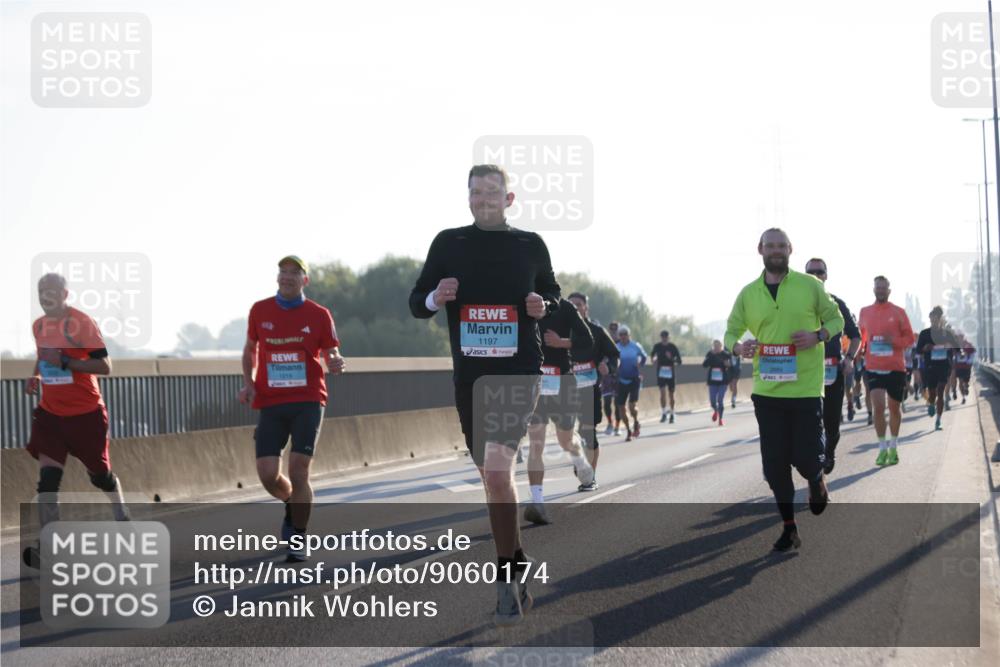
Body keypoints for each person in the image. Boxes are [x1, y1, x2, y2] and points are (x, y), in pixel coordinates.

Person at [409, 164, 559, 626]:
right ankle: (517, 559)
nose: (485, 199)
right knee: (491, 478)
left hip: (519, 371)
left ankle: (504, 579)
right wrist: (437, 296)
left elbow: (552, 297)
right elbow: (417, 303)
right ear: (468, 198)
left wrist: (543, 306)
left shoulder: (529, 244)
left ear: (509, 199)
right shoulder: (448, 243)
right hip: (471, 376)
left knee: (497, 470)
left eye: (494, 192)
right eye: (477, 192)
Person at [724, 228, 843, 552]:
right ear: (760, 249)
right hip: (767, 392)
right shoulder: (748, 294)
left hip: (805, 390)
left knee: (805, 459)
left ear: (790, 249)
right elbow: (730, 332)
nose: (776, 250)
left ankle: (816, 478)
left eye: (781, 245)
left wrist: (818, 335)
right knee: (773, 465)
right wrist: (739, 347)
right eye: (770, 245)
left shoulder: (810, 286)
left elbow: (837, 321)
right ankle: (789, 528)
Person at [240, 255, 345, 562]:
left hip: (308, 400)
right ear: (277, 278)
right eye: (282, 273)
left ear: (304, 280)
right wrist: (249, 383)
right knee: (268, 474)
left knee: (299, 470)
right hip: (271, 401)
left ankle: (298, 536)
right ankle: (292, 503)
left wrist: (335, 361)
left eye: (293, 273)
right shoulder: (260, 310)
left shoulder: (319, 314)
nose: (286, 277)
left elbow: (331, 350)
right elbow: (251, 349)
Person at [22, 273, 130, 569]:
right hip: (50, 415)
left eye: (51, 291)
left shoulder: (81, 323)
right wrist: (37, 374)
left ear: (65, 294)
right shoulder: (39, 325)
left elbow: (105, 366)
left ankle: (121, 514)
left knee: (100, 475)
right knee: (48, 481)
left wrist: (67, 362)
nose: (46, 296)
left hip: (86, 414)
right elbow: (45, 356)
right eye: (41, 291)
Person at [523, 298, 594, 524]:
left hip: (562, 382)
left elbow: (586, 340)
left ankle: (580, 461)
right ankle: (537, 502)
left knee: (565, 441)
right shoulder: (522, 304)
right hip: (536, 382)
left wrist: (562, 342)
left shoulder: (564, 307)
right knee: (536, 444)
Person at [804, 258, 861, 474]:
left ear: (826, 276)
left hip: (832, 372)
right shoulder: (797, 304)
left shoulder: (836, 304)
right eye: (811, 272)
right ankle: (815, 470)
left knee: (831, 425)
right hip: (804, 373)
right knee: (809, 424)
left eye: (820, 271)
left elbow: (856, 336)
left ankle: (829, 451)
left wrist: (849, 359)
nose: (816, 275)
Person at [857, 276, 915, 466]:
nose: (881, 290)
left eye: (884, 288)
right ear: (874, 289)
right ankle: (882, 448)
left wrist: (893, 341)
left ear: (889, 290)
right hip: (873, 367)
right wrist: (857, 354)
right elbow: (862, 339)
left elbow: (909, 339)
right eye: (878, 287)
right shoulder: (865, 312)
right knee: (878, 408)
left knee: (894, 409)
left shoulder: (899, 312)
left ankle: (894, 447)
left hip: (895, 368)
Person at [569, 292, 619, 491]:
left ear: (585, 308)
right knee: (568, 432)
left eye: (578, 304)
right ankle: (581, 462)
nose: (574, 308)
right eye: (570, 305)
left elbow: (614, 355)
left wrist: (609, 366)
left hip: (590, 390)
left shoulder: (597, 331)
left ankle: (590, 477)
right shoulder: (561, 331)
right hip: (565, 391)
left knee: (588, 432)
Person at [916, 306, 960, 431]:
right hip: (930, 366)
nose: (934, 321)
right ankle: (931, 403)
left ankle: (938, 420)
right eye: (932, 319)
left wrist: (950, 346)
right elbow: (918, 350)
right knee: (932, 394)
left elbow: (958, 349)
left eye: (937, 318)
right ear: (930, 319)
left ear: (941, 319)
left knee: (941, 391)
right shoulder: (925, 334)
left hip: (944, 366)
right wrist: (926, 348)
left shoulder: (948, 333)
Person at [615, 325, 647, 442]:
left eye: (625, 334)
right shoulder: (616, 347)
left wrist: (640, 364)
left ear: (629, 335)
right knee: (621, 408)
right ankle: (628, 430)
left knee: (632, 406)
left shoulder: (635, 346)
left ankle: (636, 421)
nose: (623, 336)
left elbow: (644, 357)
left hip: (634, 379)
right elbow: (611, 359)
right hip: (621, 380)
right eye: (621, 334)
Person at [650, 330, 682, 423]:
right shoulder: (657, 346)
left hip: (670, 372)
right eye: (663, 337)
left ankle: (672, 413)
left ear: (668, 337)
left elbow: (679, 361)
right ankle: (664, 413)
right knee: (662, 393)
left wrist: (671, 358)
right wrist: (653, 359)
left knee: (671, 395)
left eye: (666, 337)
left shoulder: (672, 347)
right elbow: (652, 356)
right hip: (661, 372)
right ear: (661, 337)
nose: (664, 338)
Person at [702, 340, 731, 426]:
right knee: (712, 401)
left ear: (721, 346)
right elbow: (704, 365)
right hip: (712, 381)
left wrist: (728, 364)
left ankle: (720, 419)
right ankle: (716, 410)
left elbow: (731, 365)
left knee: (720, 400)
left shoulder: (725, 354)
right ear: (713, 346)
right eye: (715, 346)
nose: (716, 348)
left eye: (718, 346)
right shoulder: (710, 354)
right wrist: (711, 356)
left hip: (723, 381)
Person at [601, 321, 622, 435]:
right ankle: (610, 423)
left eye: (615, 330)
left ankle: (618, 427)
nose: (613, 332)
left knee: (618, 403)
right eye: (611, 330)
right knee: (607, 402)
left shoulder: (622, 343)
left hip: (618, 377)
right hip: (607, 378)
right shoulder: (605, 343)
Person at [954, 337, 975, 404]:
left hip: (966, 367)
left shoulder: (968, 344)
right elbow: (952, 354)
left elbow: (973, 353)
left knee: (965, 382)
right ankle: (963, 397)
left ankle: (966, 386)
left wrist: (970, 362)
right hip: (959, 367)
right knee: (960, 382)